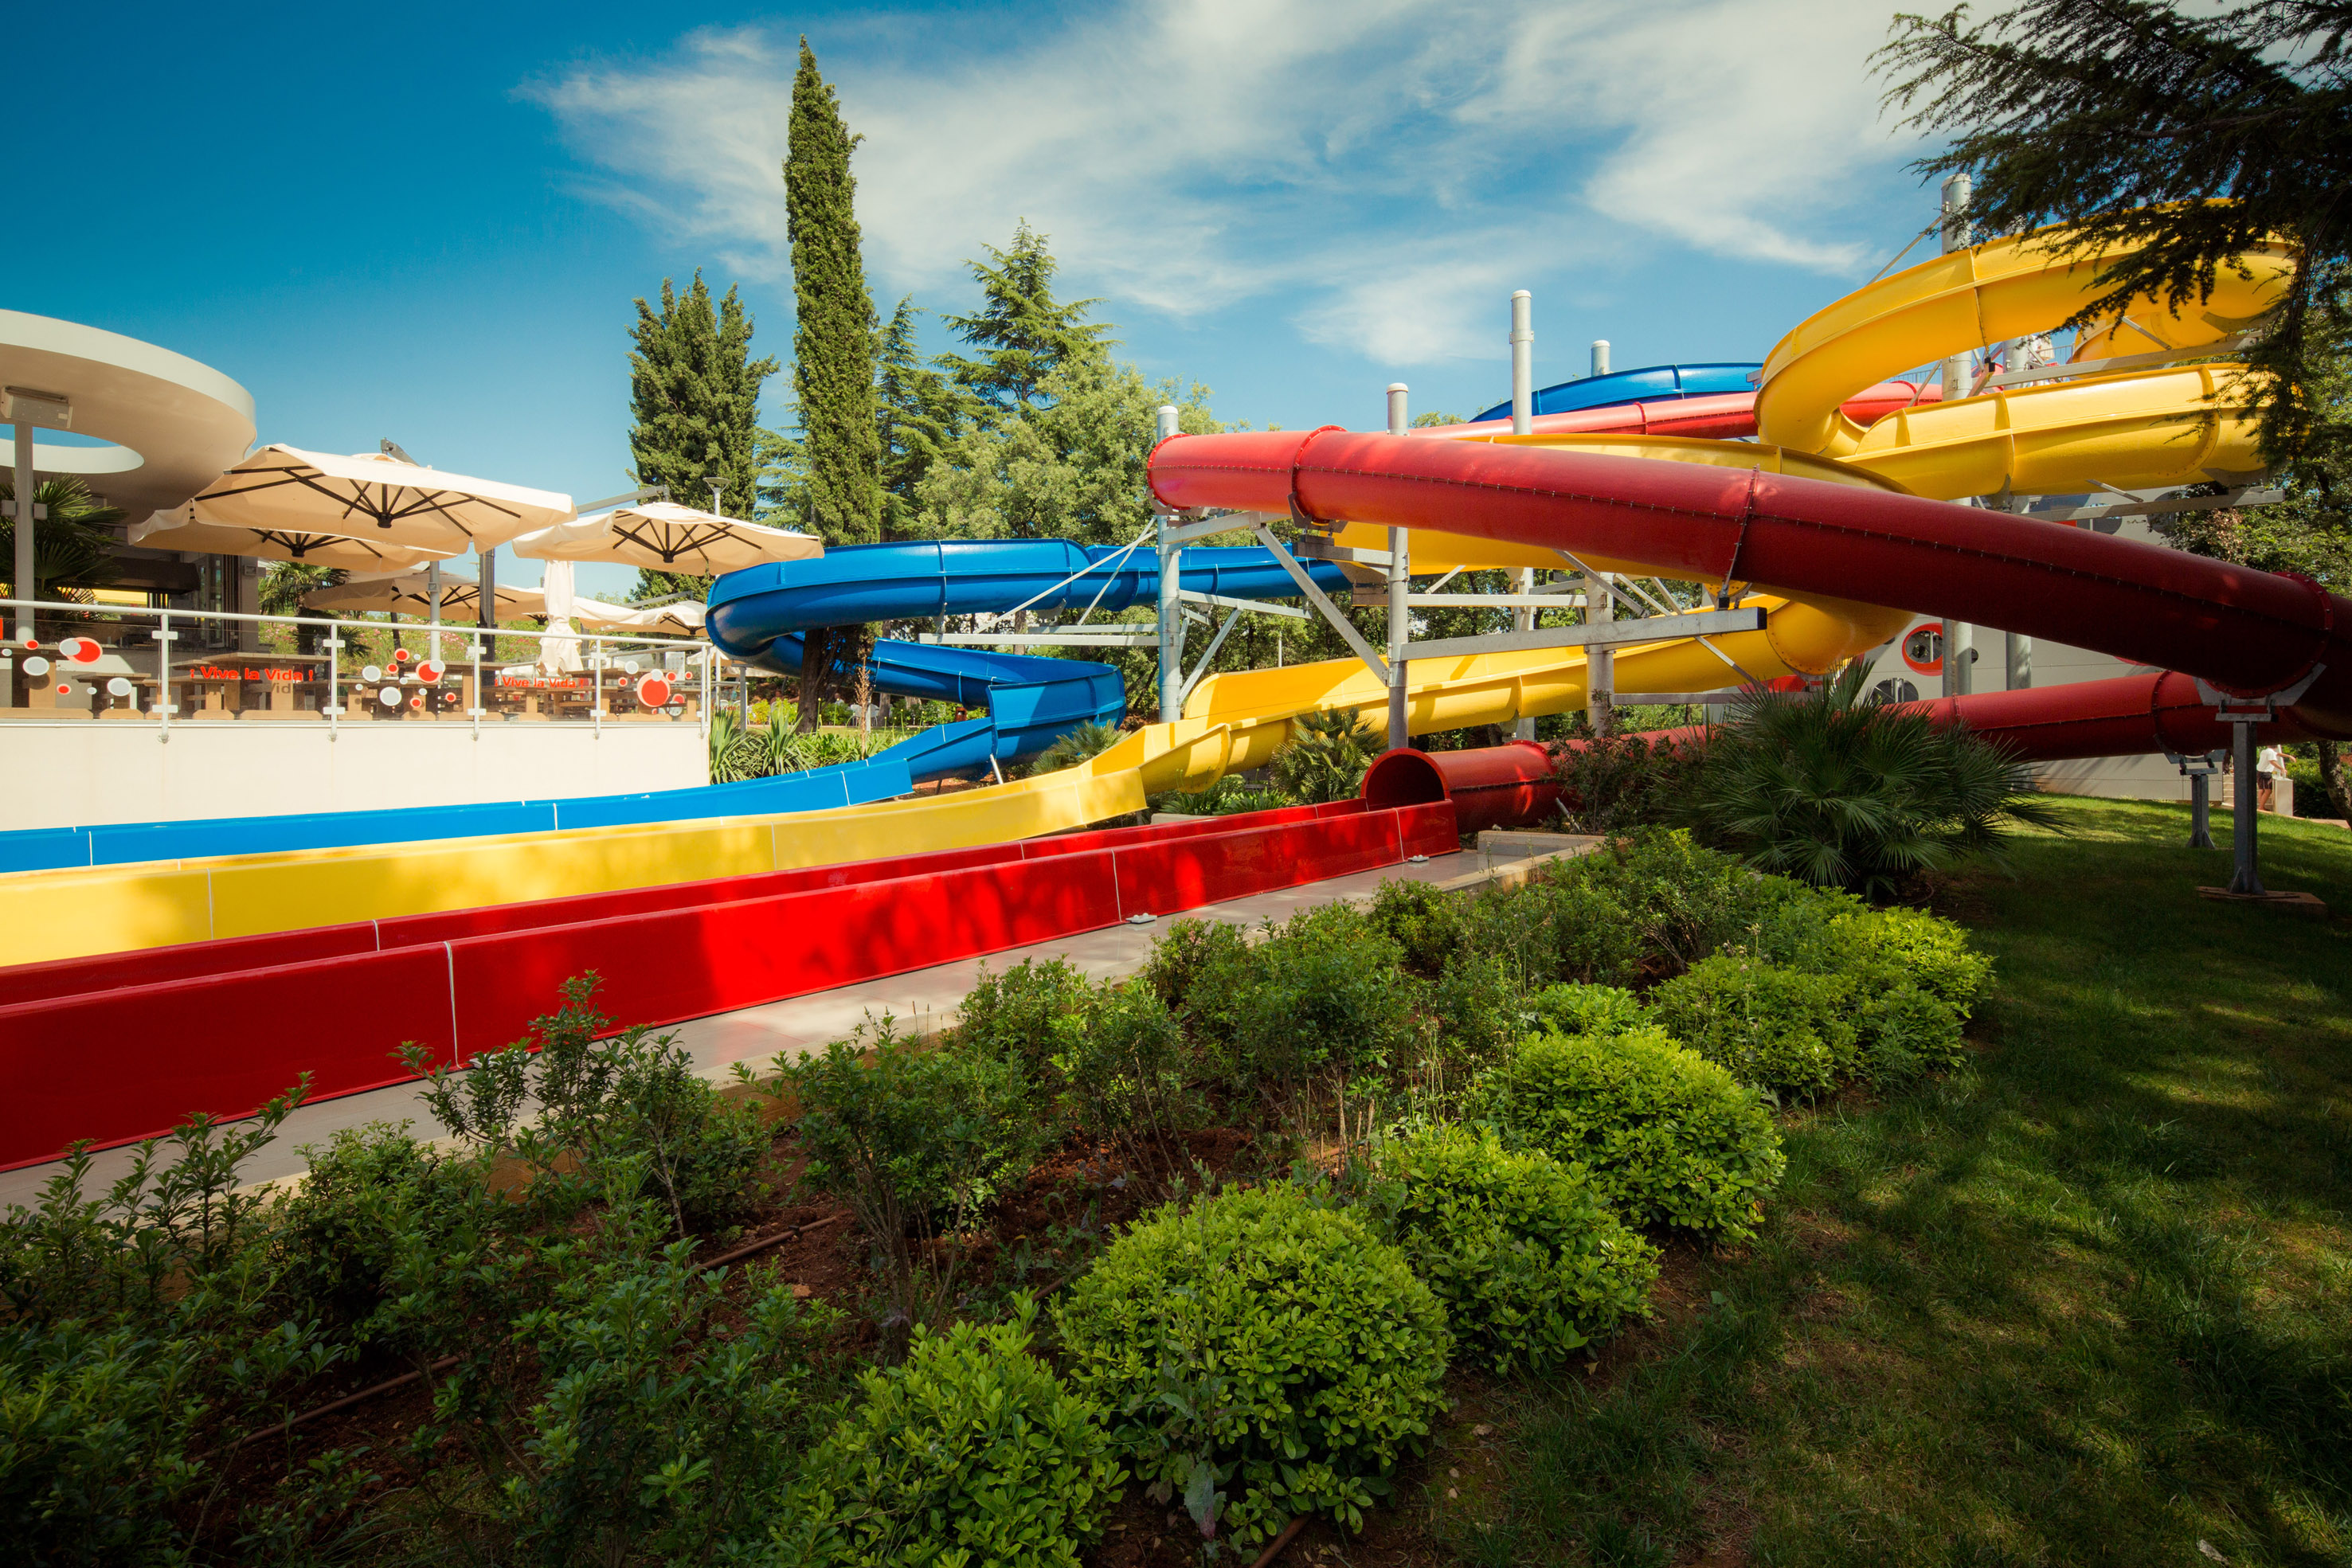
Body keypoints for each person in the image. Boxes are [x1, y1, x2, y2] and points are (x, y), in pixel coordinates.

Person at [2256, 742, 2287, 812]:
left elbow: (2278, 754)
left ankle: (2261, 807)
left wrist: (2289, 756)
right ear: (2276, 747)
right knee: (2268, 791)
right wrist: (2282, 769)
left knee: (2262, 790)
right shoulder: (2271, 753)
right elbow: (2272, 762)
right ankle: (2261, 807)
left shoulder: (2265, 751)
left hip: (2259, 771)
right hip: (2265, 773)